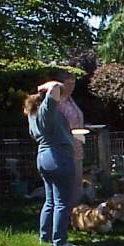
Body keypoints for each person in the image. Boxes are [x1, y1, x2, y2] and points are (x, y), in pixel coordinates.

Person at [24, 76, 77, 246]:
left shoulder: (33, 115)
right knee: (62, 202)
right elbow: (54, 87)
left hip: (44, 158)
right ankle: (60, 242)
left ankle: (45, 237)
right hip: (58, 157)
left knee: (50, 201)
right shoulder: (46, 110)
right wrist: (45, 86)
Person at [57, 72, 84, 207]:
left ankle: (76, 213)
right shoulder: (58, 102)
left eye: (73, 83)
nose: (71, 87)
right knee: (68, 184)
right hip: (65, 149)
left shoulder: (71, 100)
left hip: (78, 147)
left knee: (77, 182)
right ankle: (67, 214)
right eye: (68, 84)